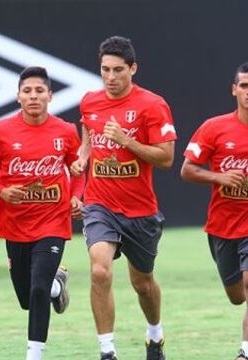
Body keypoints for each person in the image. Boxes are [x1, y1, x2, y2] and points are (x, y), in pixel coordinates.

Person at [70, 36, 176, 360]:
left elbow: (167, 157)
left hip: (140, 210)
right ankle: (107, 351)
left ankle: (155, 335)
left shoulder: (152, 105)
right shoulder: (89, 100)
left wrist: (126, 141)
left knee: (143, 283)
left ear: (133, 68)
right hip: (100, 204)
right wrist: (83, 155)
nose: (111, 77)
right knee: (99, 270)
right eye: (105, 70)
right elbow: (88, 128)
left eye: (118, 70)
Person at [0, 66, 84, 360]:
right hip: (15, 225)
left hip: (53, 223)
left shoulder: (65, 131)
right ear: (18, 96)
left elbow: (78, 170)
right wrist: (1, 191)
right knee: (27, 298)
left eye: (39, 91)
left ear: (50, 95)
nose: (33, 96)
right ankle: (56, 284)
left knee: (37, 288)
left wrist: (75, 197)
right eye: (27, 91)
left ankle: (33, 355)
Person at [180, 61, 248, 360]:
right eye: (244, 86)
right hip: (223, 227)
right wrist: (218, 176)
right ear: (234, 90)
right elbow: (187, 170)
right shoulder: (214, 127)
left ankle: (245, 354)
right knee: (238, 297)